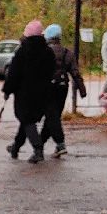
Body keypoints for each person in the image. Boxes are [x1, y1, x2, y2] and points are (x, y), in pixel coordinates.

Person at [3, 21, 56, 163]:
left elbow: (14, 73)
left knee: (27, 119)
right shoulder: (48, 52)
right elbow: (52, 70)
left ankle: (38, 149)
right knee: (27, 120)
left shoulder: (23, 51)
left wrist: (8, 89)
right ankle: (15, 147)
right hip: (42, 93)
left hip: (25, 93)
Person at [42, 23, 86, 157]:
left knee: (52, 116)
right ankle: (39, 144)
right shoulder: (68, 52)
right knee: (53, 116)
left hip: (48, 87)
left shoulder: (43, 52)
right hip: (63, 88)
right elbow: (75, 73)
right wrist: (82, 89)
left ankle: (60, 144)